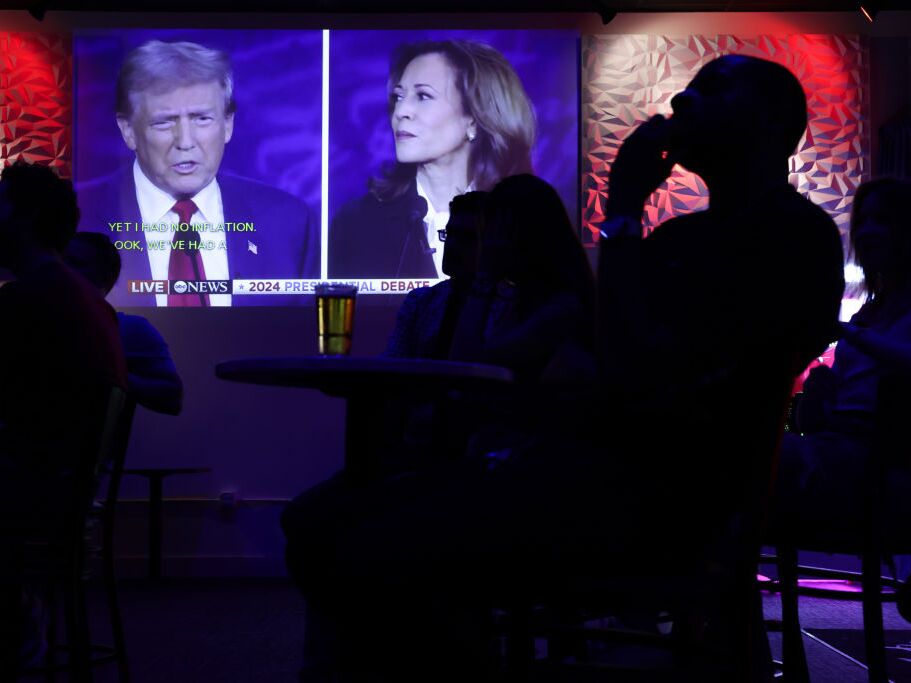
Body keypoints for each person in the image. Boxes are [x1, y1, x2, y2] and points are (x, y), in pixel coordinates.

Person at [283, 173, 595, 682]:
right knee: (307, 520)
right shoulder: (432, 301)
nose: (479, 247)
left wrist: (479, 286)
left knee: (342, 529)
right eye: (464, 236)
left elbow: (477, 372)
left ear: (521, 239)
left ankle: (362, 663)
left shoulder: (545, 308)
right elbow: (401, 373)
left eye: (490, 235)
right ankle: (346, 660)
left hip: (506, 478)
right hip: (457, 460)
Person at [0, 162, 127, 675]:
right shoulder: (81, 300)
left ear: (23, 220)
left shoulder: (30, 302)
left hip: (28, 496)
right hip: (57, 492)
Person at [77, 40, 318, 307]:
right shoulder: (78, 216)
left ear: (227, 124)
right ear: (128, 130)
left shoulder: (287, 221)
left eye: (201, 118)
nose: (185, 141)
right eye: (164, 122)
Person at [772, 178, 911, 538]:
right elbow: (817, 417)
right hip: (841, 448)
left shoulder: (868, 323)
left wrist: (847, 332)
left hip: (881, 463)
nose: (867, 231)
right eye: (863, 221)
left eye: (882, 220)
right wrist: (820, 392)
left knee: (749, 459)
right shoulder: (870, 312)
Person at [329, 39, 536, 279]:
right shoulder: (356, 224)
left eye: (423, 96)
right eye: (398, 97)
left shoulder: (524, 220)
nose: (401, 112)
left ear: (473, 117)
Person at [64, 232, 184, 415]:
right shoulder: (28, 314)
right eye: (61, 263)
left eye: (76, 264)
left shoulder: (126, 329)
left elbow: (171, 396)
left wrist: (107, 374)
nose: (64, 271)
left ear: (106, 276)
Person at [383, 190, 487, 359]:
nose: (452, 244)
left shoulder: (505, 307)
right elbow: (392, 365)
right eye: (450, 234)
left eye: (466, 237)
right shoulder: (421, 302)